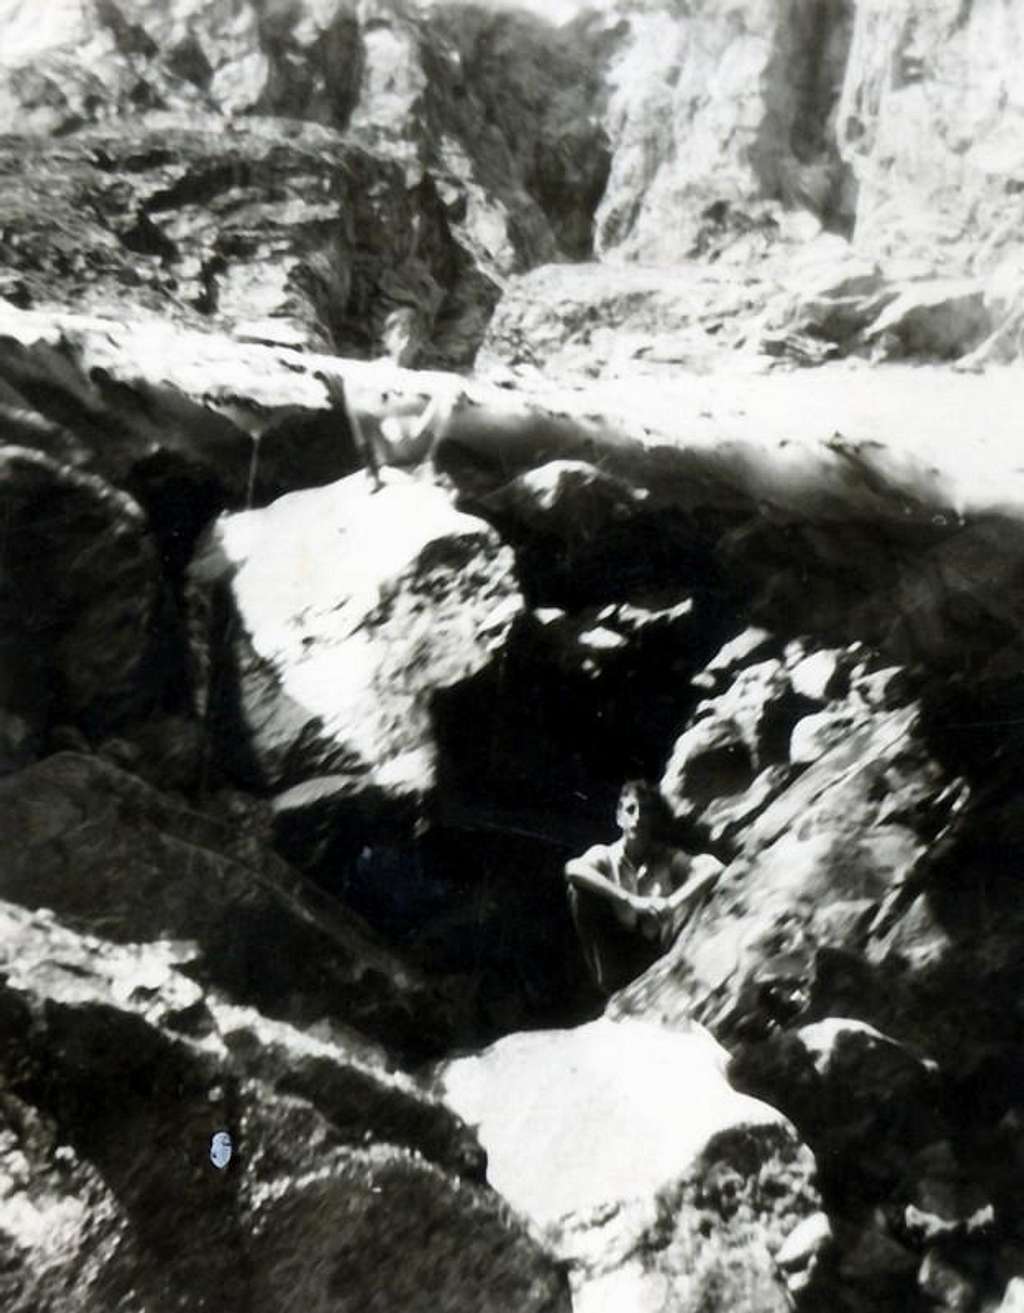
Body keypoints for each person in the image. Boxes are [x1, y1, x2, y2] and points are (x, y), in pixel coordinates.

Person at [565, 780, 723, 994]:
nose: (638, 817)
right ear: (619, 817)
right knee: (578, 892)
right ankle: (609, 987)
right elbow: (573, 868)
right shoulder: (605, 855)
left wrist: (671, 903)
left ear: (654, 818)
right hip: (615, 955)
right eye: (631, 810)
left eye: (645, 811)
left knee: (700, 891)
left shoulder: (666, 856)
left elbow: (713, 866)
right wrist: (628, 900)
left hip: (656, 950)